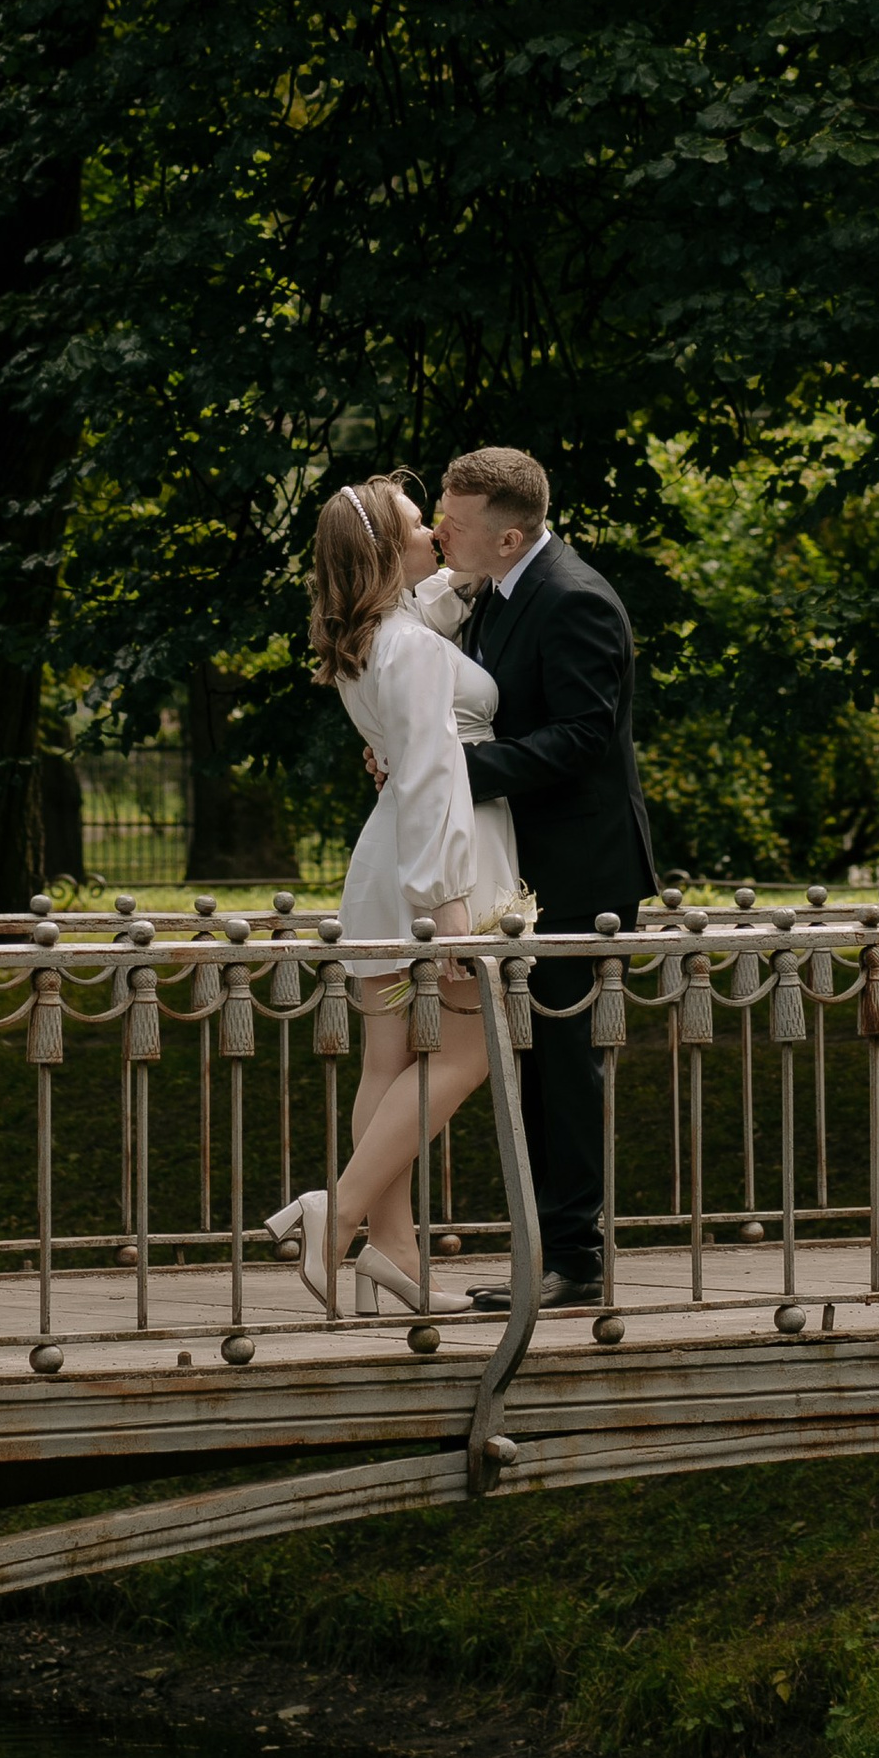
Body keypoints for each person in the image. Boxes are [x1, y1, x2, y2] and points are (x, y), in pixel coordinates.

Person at [265, 474, 518, 1317]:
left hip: (389, 857)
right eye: (420, 524)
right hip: (436, 857)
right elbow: (431, 768)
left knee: (389, 1061)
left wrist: (468, 568)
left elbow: (438, 607)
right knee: (470, 1052)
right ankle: (335, 1212)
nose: (435, 531)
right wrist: (450, 905)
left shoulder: (381, 631)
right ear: (384, 549)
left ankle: (398, 1255)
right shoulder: (404, 646)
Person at [439, 442, 657, 1311]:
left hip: (582, 867)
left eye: (454, 525)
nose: (439, 534)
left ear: (509, 535)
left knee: (563, 1065)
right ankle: (553, 1250)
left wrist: (457, 769)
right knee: (532, 1060)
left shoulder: (573, 600)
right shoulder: (499, 588)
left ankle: (576, 1260)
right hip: (527, 860)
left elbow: (582, 737)